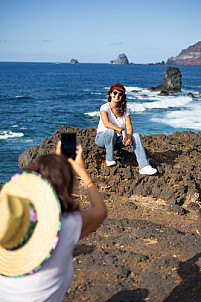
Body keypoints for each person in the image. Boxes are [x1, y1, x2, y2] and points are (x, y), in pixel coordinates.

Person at [0, 142, 107, 302]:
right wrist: (81, 171)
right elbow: (100, 210)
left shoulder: (6, 221)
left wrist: (57, 163)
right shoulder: (67, 224)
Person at [95, 83, 157, 175]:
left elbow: (129, 127)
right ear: (111, 94)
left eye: (120, 94)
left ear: (123, 96)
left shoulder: (124, 110)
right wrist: (122, 131)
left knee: (135, 136)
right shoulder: (105, 107)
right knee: (111, 131)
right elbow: (106, 123)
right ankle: (110, 159)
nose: (117, 96)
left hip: (116, 141)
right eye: (115, 93)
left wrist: (128, 136)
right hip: (102, 138)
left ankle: (144, 166)